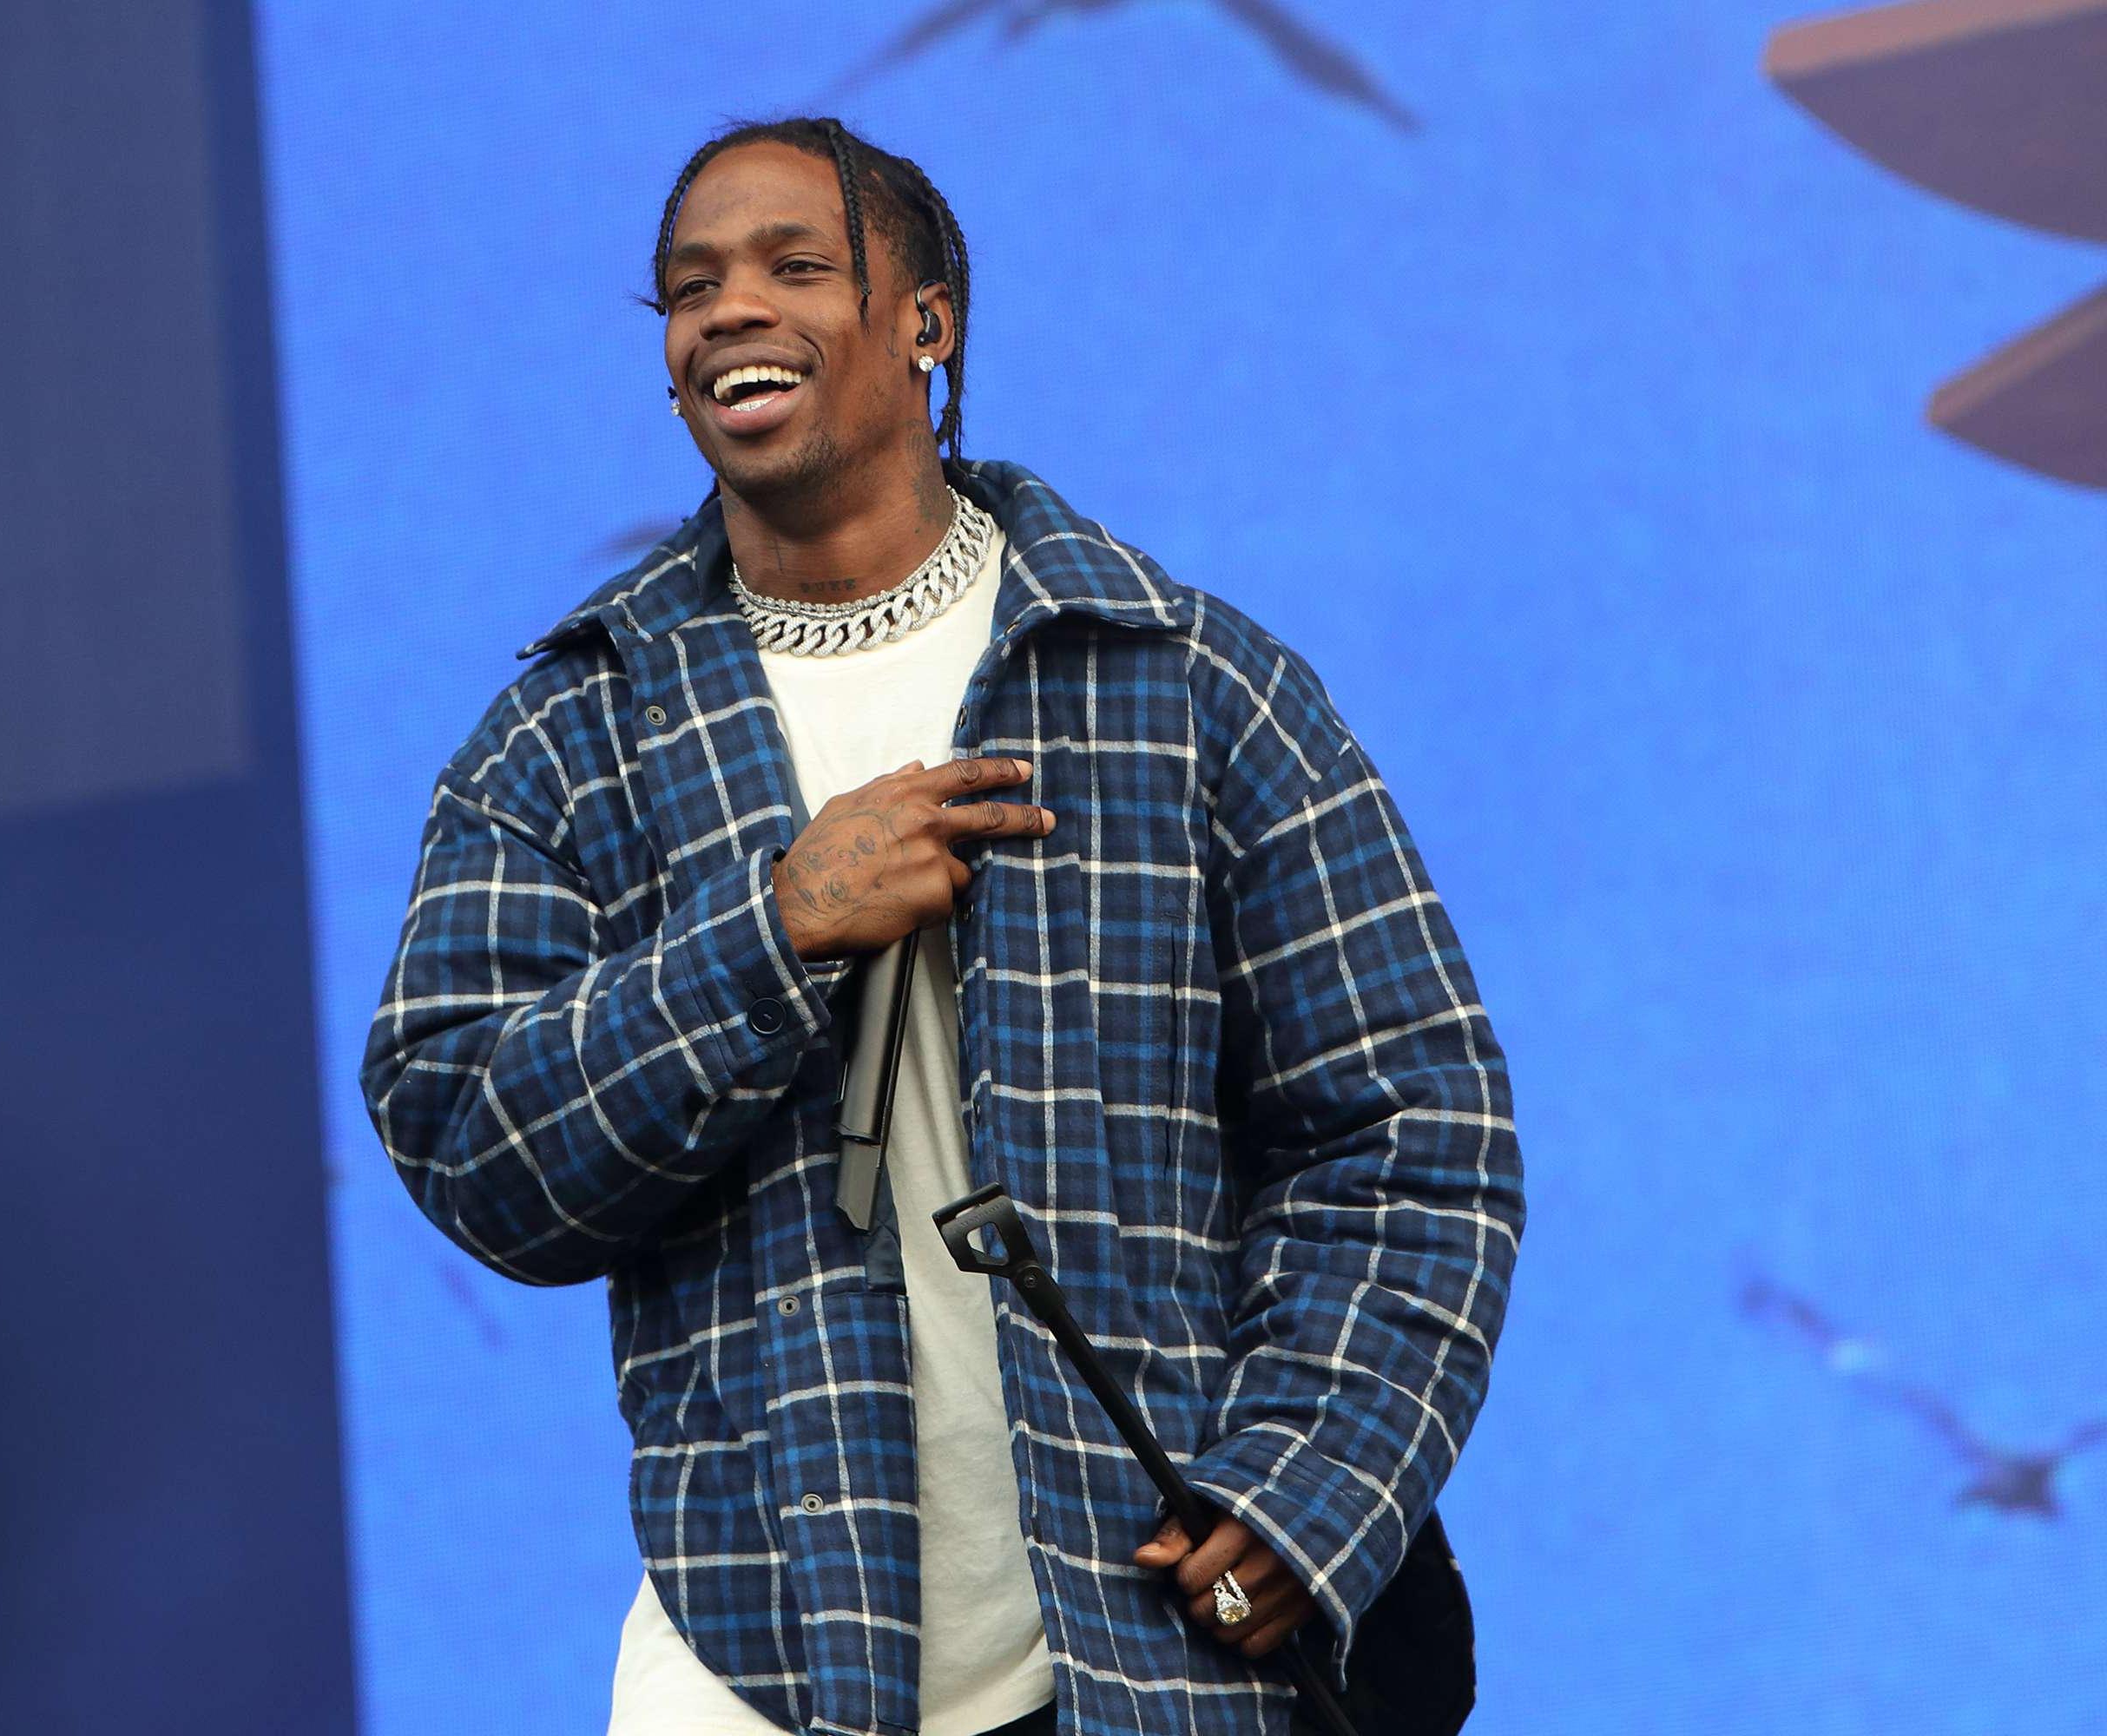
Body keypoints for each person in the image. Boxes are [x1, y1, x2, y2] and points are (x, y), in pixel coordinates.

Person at [363, 116, 1524, 1736]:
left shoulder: (1180, 683)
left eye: (795, 265)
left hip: (1148, 1655)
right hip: (752, 1657)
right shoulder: (574, 735)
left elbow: (1412, 1134)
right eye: (689, 287)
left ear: (928, 320)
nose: (728, 310)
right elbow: (471, 1140)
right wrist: (774, 930)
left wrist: (1305, 1491)